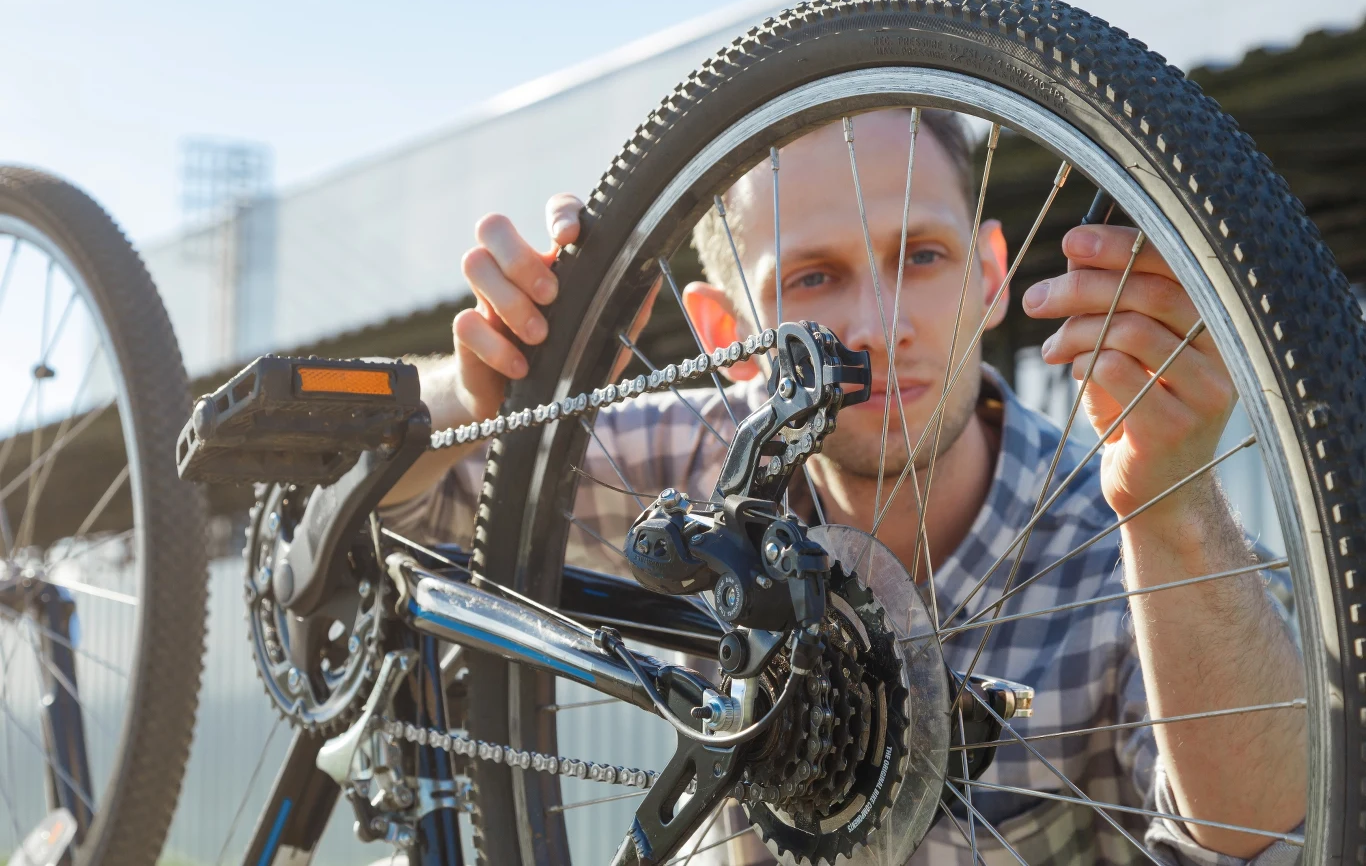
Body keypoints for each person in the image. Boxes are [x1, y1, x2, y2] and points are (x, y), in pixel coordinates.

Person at [382, 109, 1306, 864]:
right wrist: (483, 390)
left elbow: (1274, 846)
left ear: (990, 273)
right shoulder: (696, 459)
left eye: (923, 257)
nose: (877, 324)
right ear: (723, 330)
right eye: (815, 278)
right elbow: (395, 508)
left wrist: (1175, 508)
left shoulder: (1124, 535)